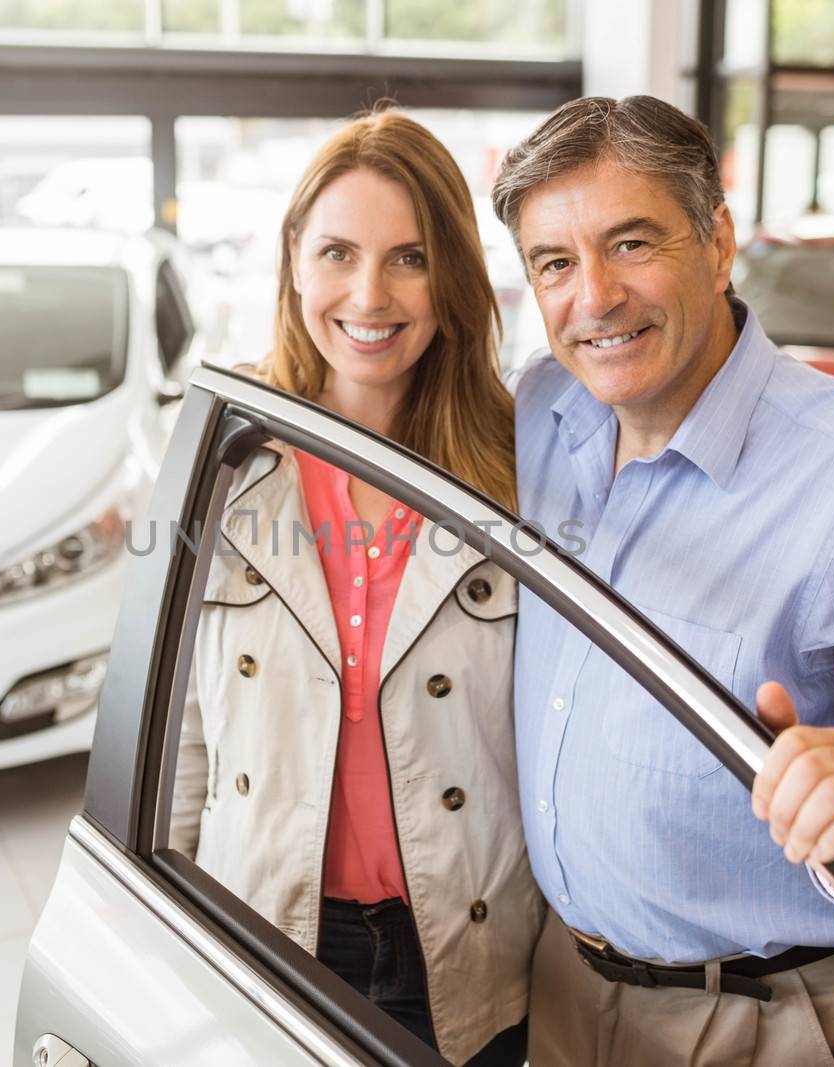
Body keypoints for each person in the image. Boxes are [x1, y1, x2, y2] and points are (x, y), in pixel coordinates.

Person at [491, 95, 834, 1066]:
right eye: (554, 263)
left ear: (715, 241)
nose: (594, 297)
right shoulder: (544, 410)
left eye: (629, 243)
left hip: (764, 1021)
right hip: (559, 993)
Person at [168, 110, 541, 1067]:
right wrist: (154, 920)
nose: (369, 294)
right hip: (264, 931)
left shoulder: (524, 470)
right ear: (294, 256)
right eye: (338, 251)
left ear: (451, 276)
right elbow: (178, 742)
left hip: (464, 942)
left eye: (409, 258)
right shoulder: (220, 456)